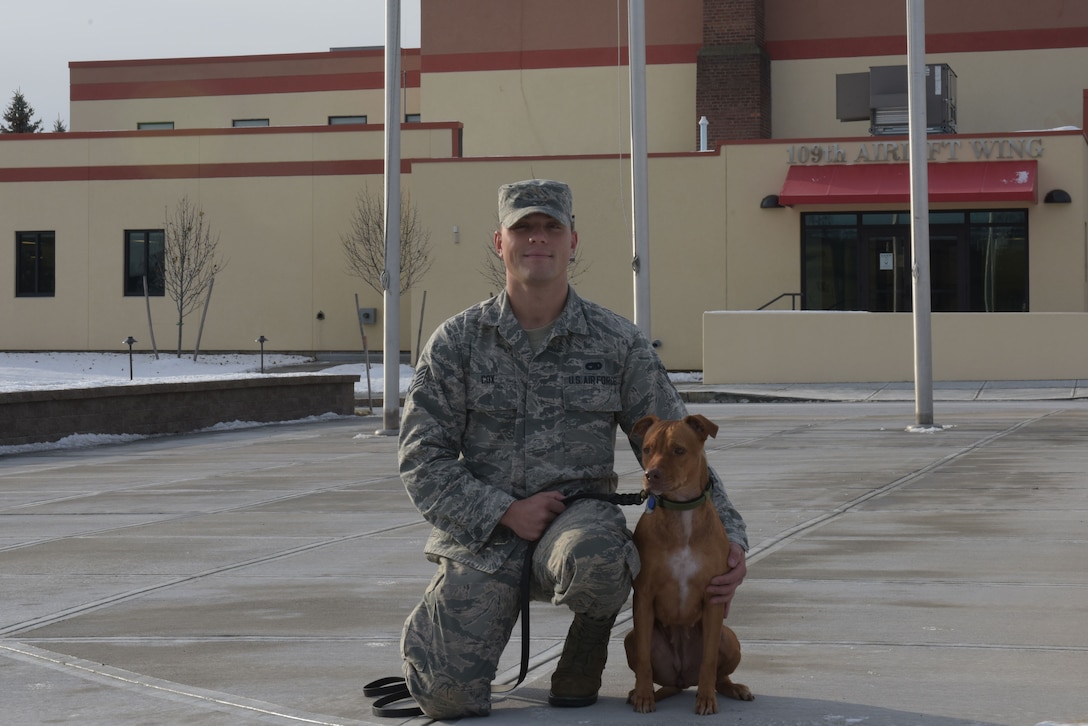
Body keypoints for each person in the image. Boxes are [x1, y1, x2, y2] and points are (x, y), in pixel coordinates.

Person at [397, 178, 748, 720]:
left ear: (572, 241)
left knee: (604, 557)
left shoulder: (616, 342)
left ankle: (584, 650)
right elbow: (422, 458)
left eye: (550, 227)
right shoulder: (456, 342)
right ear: (499, 242)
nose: (537, 239)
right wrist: (503, 511)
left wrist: (731, 539)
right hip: (485, 531)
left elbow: (677, 450)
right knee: (446, 700)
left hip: (576, 524)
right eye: (523, 228)